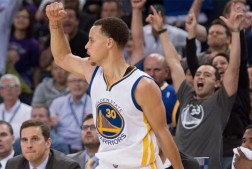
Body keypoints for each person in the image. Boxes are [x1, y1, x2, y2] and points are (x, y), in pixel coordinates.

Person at [46, 1, 183, 168]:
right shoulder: (93, 72)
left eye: (92, 40)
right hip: (106, 163)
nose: (86, 46)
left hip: (139, 165)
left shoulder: (142, 85)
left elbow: (163, 135)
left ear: (109, 43)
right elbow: (62, 58)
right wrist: (54, 22)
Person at [146, 2, 243, 168]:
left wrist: (235, 33)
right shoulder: (186, 95)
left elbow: (234, 67)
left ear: (218, 82)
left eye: (207, 75)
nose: (200, 77)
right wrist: (162, 31)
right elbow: (174, 63)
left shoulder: (221, 101)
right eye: (198, 74)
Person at [5, 120, 81, 169]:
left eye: (34, 139)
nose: (29, 145)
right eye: (24, 140)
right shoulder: (13, 165)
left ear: (47, 143)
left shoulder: (68, 167)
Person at [49, 73, 92, 153]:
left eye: (80, 81)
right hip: (61, 147)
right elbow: (49, 126)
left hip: (86, 146)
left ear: (87, 84)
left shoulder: (94, 103)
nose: (77, 84)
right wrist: (52, 123)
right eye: (73, 81)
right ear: (67, 84)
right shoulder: (57, 103)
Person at [143, 54, 179, 133]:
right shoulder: (135, 92)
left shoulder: (175, 94)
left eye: (157, 70)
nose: (152, 74)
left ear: (166, 72)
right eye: (148, 70)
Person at [0, 74, 31, 139]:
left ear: (19, 90)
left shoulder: (29, 111)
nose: (8, 89)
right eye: (5, 86)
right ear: (0, 91)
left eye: (12, 86)